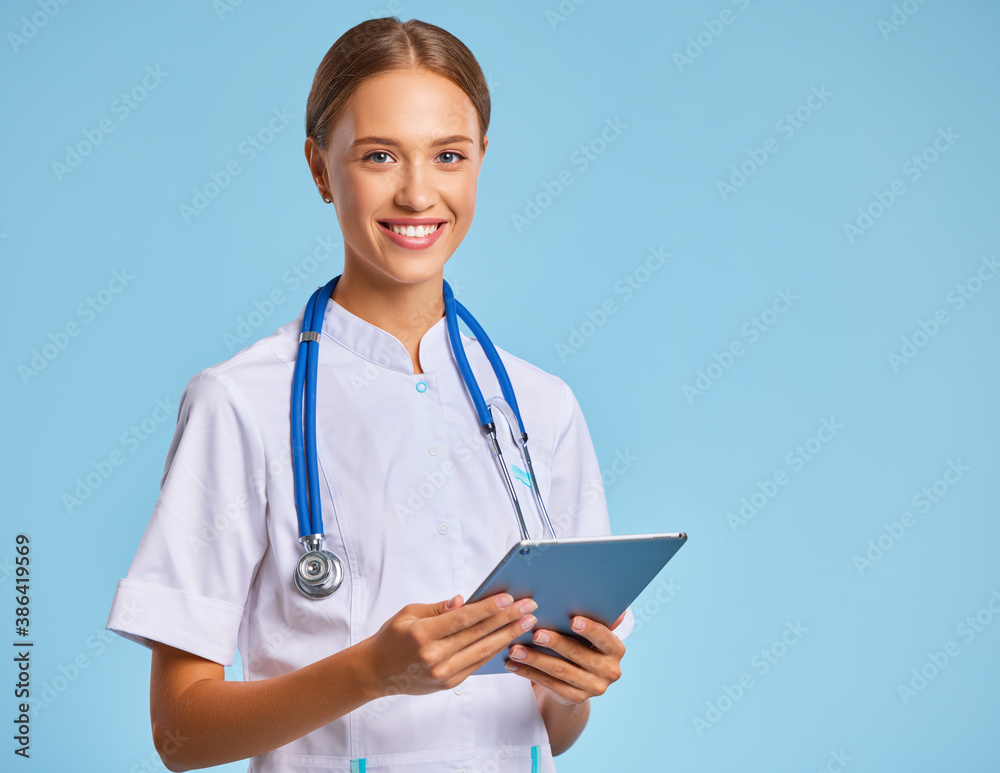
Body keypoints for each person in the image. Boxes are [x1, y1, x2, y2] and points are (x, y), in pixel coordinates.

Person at [106, 17, 634, 773]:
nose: (418, 192)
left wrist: (573, 685)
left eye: (448, 156)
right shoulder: (241, 401)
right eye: (379, 155)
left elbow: (552, 727)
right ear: (321, 170)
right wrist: (371, 672)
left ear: (480, 161)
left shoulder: (543, 409)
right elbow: (181, 734)